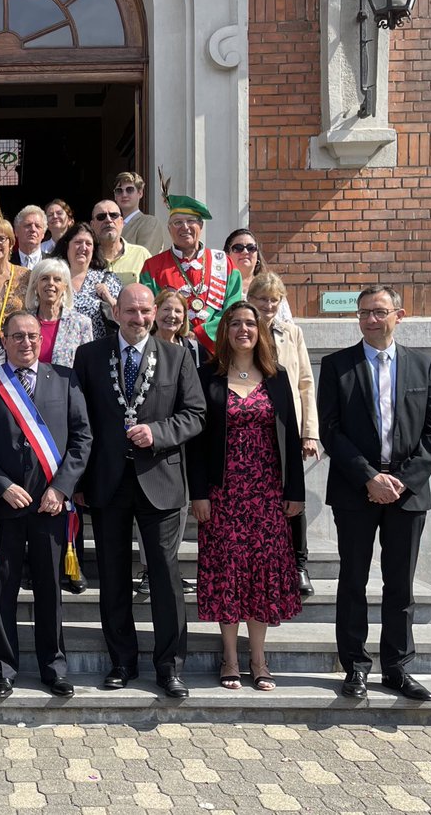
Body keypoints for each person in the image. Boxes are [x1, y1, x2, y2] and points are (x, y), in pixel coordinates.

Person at [73, 284, 205, 698]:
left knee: (165, 577)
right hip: (108, 482)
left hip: (161, 481)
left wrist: (160, 432)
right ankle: (121, 662)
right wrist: (77, 482)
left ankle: (169, 667)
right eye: (131, 311)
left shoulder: (177, 356)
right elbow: (80, 422)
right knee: (112, 577)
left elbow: (196, 414)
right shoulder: (90, 356)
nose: (140, 319)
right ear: (116, 311)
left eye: (146, 311)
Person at [319, 285, 431, 702]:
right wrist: (369, 477)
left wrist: (402, 480)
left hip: (408, 494)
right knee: (353, 581)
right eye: (363, 313)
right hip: (356, 491)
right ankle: (354, 667)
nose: (371, 320)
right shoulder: (338, 365)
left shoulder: (422, 366)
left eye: (379, 312)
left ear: (399, 315)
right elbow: (331, 431)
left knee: (400, 585)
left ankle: (397, 668)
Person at [0, 312, 91, 700]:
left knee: (49, 590)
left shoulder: (65, 379)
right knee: (3, 589)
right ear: (3, 341)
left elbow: (81, 440)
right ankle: (2, 670)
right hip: (3, 508)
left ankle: (53, 668)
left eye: (33, 336)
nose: (26, 343)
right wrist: (1, 485)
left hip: (50, 507)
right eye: (17, 336)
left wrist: (61, 489)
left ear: (42, 339)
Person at [187, 303, 305, 691]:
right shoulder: (208, 376)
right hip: (223, 496)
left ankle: (258, 659)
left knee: (260, 576)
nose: (243, 329)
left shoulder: (276, 376)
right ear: (225, 331)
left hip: (267, 494)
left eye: (250, 323)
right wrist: (199, 493)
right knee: (228, 575)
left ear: (260, 331)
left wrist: (295, 492)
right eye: (235, 323)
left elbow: (289, 436)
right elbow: (198, 443)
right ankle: (230, 658)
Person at [130, 288, 208, 596]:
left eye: (178, 311)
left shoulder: (191, 348)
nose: (171, 316)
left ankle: (168, 566)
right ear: (153, 312)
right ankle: (150, 569)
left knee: (179, 508)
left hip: (182, 441)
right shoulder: (138, 348)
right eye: (166, 309)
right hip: (146, 446)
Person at [247, 273, 320, 595]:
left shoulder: (292, 333)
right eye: (262, 298)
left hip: (289, 423)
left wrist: (310, 432)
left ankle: (299, 564)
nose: (268, 305)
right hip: (255, 424)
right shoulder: (242, 331)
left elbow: (305, 382)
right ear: (251, 299)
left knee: (293, 495)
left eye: (274, 299)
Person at [139, 194, 242, 353]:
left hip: (217, 349)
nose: (184, 227)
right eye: (177, 222)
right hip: (171, 348)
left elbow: (233, 307)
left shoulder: (224, 263)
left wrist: (202, 334)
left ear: (201, 225)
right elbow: (149, 309)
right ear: (169, 228)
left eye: (191, 221)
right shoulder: (152, 267)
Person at [50, 222, 121, 339]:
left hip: (97, 351)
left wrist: (109, 298)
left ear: (94, 249)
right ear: (67, 245)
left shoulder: (108, 279)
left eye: (88, 244)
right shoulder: (53, 278)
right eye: (78, 242)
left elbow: (124, 316)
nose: (83, 247)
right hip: (61, 350)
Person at [26, 258, 93, 367]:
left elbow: (88, 365)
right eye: (44, 278)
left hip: (66, 383)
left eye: (57, 279)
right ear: (35, 285)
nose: (50, 283)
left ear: (65, 287)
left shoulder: (81, 323)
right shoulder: (23, 321)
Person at [224, 228, 293, 322]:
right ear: (227, 254)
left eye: (251, 248)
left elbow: (287, 325)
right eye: (238, 248)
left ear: (257, 254)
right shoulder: (218, 287)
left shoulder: (272, 287)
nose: (245, 252)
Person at [91, 198, 151, 288]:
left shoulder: (141, 255)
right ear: (92, 225)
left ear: (122, 222)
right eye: (101, 217)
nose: (108, 220)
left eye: (113, 215)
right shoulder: (86, 257)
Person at [112, 171, 169, 254]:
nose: (124, 194)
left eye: (130, 190)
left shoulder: (149, 223)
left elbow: (143, 260)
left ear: (140, 193)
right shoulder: (112, 225)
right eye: (119, 191)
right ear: (115, 196)